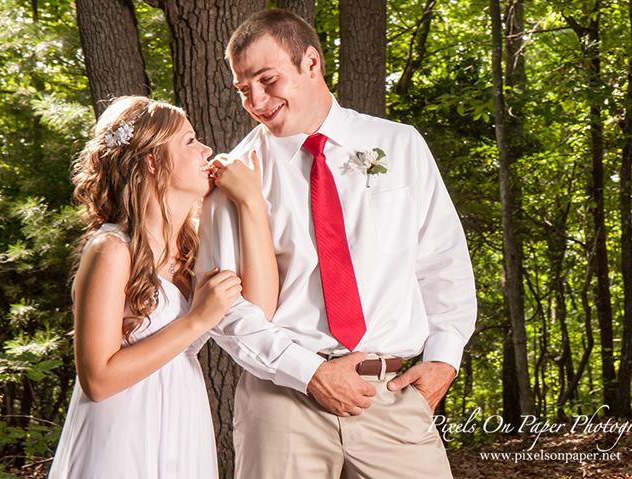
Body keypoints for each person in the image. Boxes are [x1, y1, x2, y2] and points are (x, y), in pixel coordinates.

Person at [197, 8, 477, 479]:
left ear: (311, 63)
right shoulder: (235, 173)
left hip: (389, 392)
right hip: (282, 401)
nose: (257, 100)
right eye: (244, 89)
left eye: (268, 80)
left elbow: (442, 260)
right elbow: (223, 305)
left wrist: (445, 358)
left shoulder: (400, 145)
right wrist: (308, 372)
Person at [48, 96, 276, 479]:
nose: (206, 149)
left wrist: (251, 202)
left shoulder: (193, 250)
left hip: (183, 418)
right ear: (152, 161)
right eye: (190, 141)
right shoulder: (111, 250)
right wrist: (197, 319)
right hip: (123, 428)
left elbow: (261, 312)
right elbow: (98, 381)